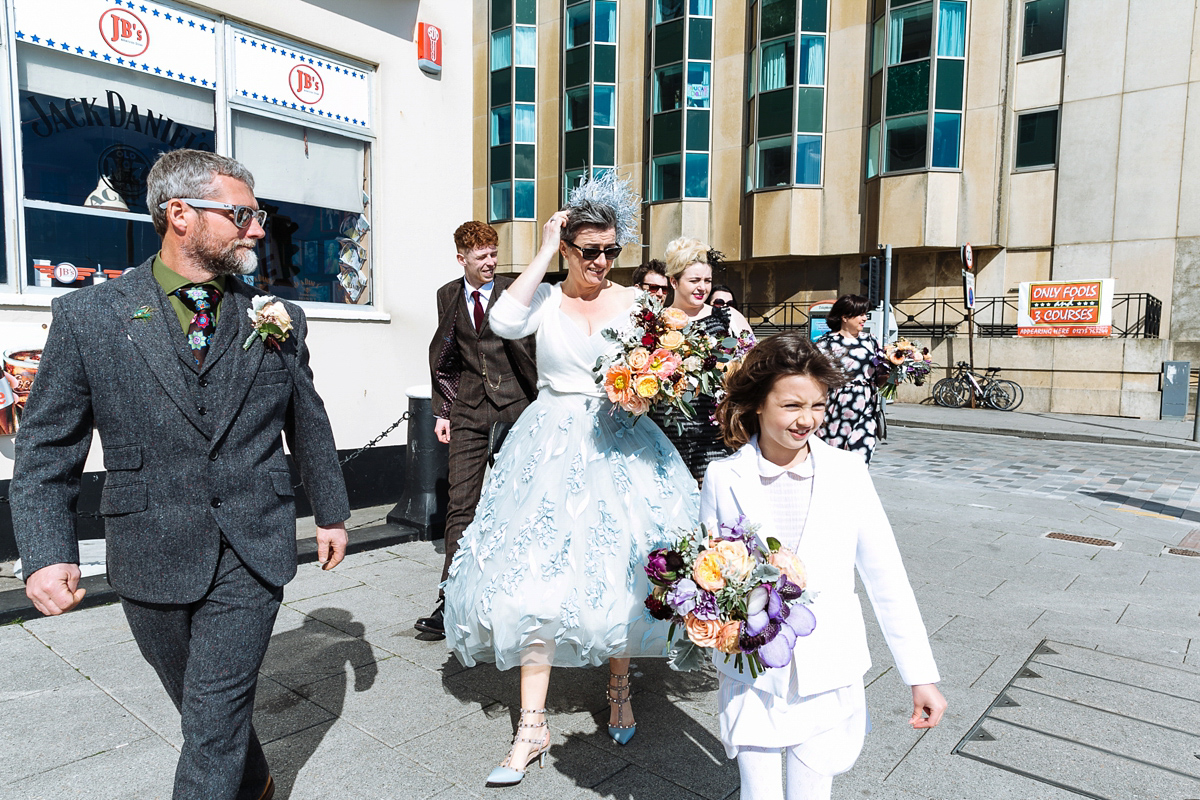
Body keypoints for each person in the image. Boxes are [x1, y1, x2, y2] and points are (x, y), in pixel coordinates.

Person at [10, 150, 351, 800]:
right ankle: (254, 781)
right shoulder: (92, 317)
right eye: (242, 214)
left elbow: (306, 416)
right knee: (202, 711)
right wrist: (46, 552)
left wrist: (330, 509)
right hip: (148, 548)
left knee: (213, 720)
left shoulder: (278, 318)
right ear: (180, 215)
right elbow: (49, 445)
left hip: (251, 546)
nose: (257, 228)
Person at [442, 174, 701, 786]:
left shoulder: (638, 305)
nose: (602, 262)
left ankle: (618, 686)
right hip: (551, 442)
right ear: (568, 250)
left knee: (621, 568)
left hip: (620, 439)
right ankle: (532, 726)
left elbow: (668, 363)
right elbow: (502, 322)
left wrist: (651, 387)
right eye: (589, 250)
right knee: (535, 575)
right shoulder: (545, 300)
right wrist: (544, 244)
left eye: (611, 250)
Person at [700, 332, 946, 800]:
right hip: (751, 671)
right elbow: (711, 574)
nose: (807, 420)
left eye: (817, 405)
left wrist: (921, 676)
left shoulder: (848, 472)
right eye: (791, 406)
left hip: (829, 667)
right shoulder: (722, 476)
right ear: (757, 403)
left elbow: (886, 577)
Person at [419, 221, 538, 638]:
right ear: (461, 259)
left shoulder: (517, 288)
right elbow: (447, 354)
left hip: (517, 406)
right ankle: (451, 596)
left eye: (493, 253)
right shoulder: (447, 295)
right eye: (481, 256)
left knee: (520, 503)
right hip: (469, 407)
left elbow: (535, 351)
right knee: (461, 503)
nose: (490, 262)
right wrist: (442, 412)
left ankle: (520, 595)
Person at [650, 237, 754, 483]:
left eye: (707, 281)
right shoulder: (654, 321)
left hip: (713, 431)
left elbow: (753, 367)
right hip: (664, 429)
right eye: (694, 280)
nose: (702, 288)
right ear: (674, 281)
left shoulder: (727, 318)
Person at [814, 294, 886, 463]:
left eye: (865, 314)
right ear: (845, 317)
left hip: (865, 410)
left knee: (860, 460)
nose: (865, 318)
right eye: (860, 314)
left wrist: (890, 376)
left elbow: (879, 378)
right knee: (833, 462)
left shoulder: (871, 341)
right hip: (835, 410)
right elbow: (815, 380)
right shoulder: (825, 344)